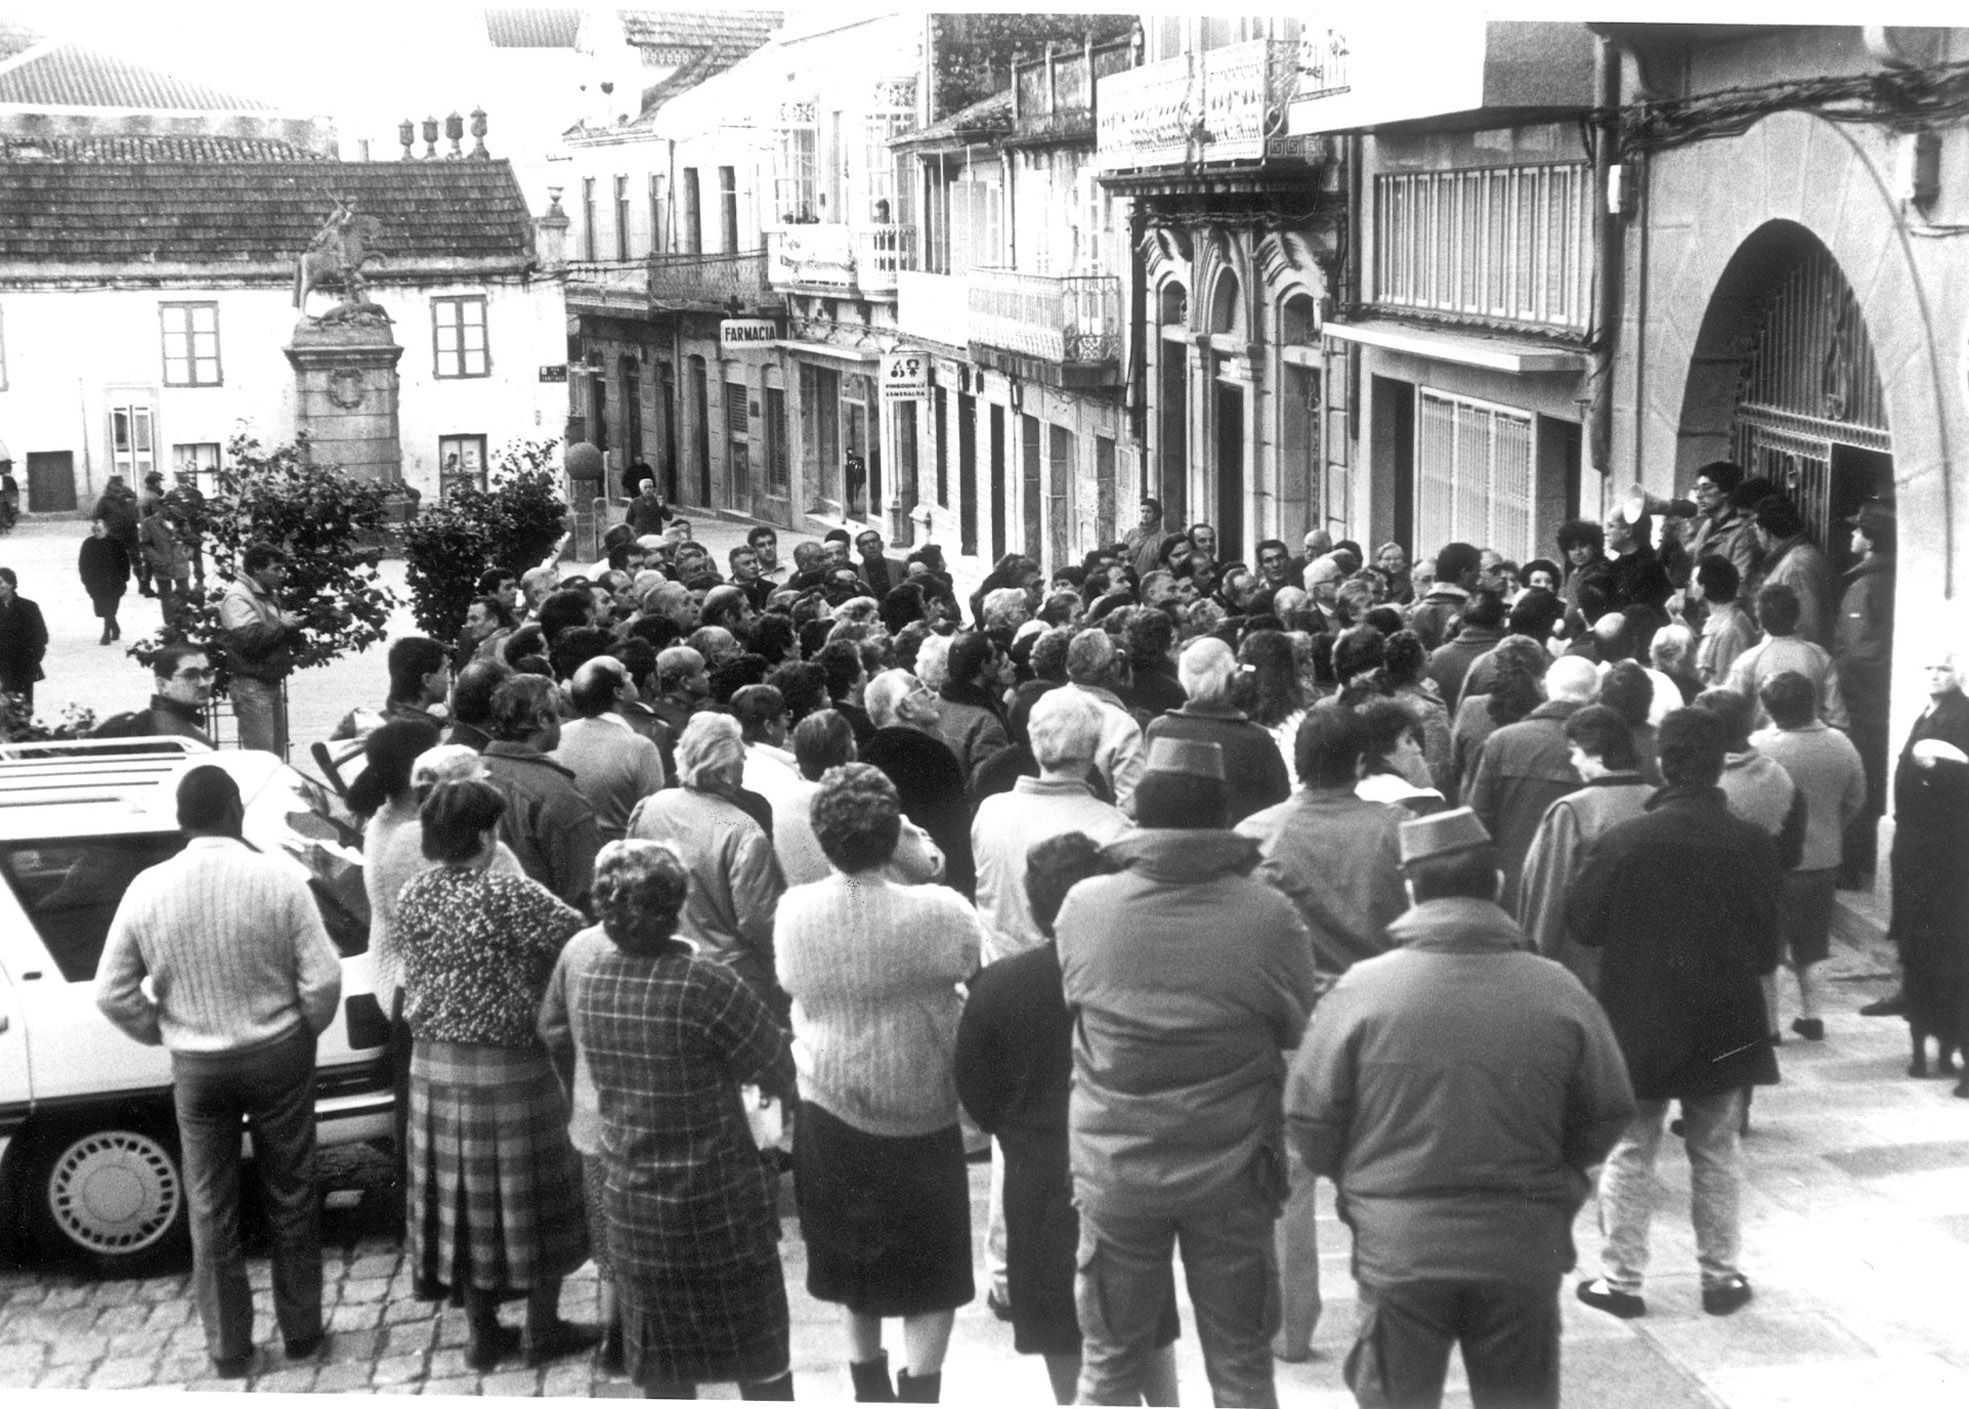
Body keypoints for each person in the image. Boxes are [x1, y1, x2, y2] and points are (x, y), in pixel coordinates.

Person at [1287, 808, 1634, 1409]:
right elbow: (1607, 1111)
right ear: (1496, 885)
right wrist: (1559, 1173)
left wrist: (1360, 1183)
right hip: (1521, 1247)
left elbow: (1311, 1121)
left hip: (1399, 1251)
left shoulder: (1359, 990)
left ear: (1412, 888)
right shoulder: (1558, 989)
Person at [1057, 736, 1319, 1408]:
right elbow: (1299, 1027)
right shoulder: (1268, 913)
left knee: (1110, 1366)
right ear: (1223, 813)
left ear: (1137, 814)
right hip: (1232, 1171)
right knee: (1240, 1366)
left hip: (1118, 1167)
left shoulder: (1084, 906)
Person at [95, 765, 342, 1377]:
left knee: (211, 1206)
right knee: (291, 1192)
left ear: (182, 819)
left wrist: (162, 1029)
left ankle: (229, 1348)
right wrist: (302, 1027)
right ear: (234, 809)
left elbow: (111, 991)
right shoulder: (278, 879)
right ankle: (304, 1333)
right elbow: (325, 977)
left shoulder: (146, 888)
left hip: (198, 1065)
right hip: (277, 1051)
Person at [539, 841, 799, 1399]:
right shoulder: (705, 983)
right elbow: (776, 1064)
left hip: (636, 1205)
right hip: (720, 1201)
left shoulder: (594, 980)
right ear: (677, 904)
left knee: (663, 1365)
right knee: (761, 1358)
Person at [777, 764, 984, 1404]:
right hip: (921, 1106)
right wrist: (920, 863)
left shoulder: (795, 912)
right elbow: (971, 968)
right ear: (893, 832)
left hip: (829, 1105)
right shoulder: (943, 911)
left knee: (851, 1261)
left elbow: (791, 985)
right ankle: (920, 1393)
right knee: (932, 1271)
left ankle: (868, 1388)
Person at [956, 833, 1182, 1406]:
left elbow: (974, 1097)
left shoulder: (1001, 985)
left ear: (1035, 906)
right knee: (1147, 1319)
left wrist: (1015, 1125)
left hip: (1038, 1177)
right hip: (1126, 1164)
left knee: (1063, 1333)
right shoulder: (1142, 973)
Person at [1570, 708, 1781, 1321]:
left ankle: (1622, 1281)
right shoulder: (1753, 844)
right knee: (1716, 1148)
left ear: (1663, 763)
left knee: (1631, 1150)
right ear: (1720, 766)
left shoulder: (1625, 840)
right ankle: (1721, 1278)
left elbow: (1583, 923)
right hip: (1726, 1017)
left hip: (1640, 1013)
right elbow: (1769, 949)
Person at [393, 779, 596, 1370]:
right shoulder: (510, 895)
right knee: (536, 1192)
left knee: (463, 1201)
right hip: (510, 1066)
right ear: (486, 835)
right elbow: (576, 932)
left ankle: (482, 1333)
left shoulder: (414, 895)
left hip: (432, 1066)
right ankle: (540, 1328)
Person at [1237, 708, 1409, 1362]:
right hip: (1379, 1021)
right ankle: (1383, 1320)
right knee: (1384, 1175)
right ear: (1362, 763)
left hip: (1293, 1030)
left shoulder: (1257, 833)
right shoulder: (1398, 829)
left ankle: (1288, 1327)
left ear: (1294, 763)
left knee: (1288, 1180)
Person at [626, 712, 787, 1010]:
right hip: (729, 980)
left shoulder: (650, 807)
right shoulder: (744, 831)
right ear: (723, 764)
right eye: (741, 754)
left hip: (661, 963)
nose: (745, 761)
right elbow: (759, 921)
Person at [972, 687, 1130, 966]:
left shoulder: (990, 812)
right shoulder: (1117, 830)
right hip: (1071, 988)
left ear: (1034, 741)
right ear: (1094, 748)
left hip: (995, 980)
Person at [1753, 671, 1866, 1041]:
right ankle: (1813, 1017)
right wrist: (1832, 828)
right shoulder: (1841, 744)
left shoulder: (1759, 747)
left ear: (1770, 709)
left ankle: (1770, 1026)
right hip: (1823, 860)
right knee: (1814, 945)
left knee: (1768, 947)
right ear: (1813, 701)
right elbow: (1856, 799)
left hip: (1772, 862)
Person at [1864, 651, 1969, 1049]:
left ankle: (1928, 1003)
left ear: (1958, 675)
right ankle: (1913, 993)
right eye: (1929, 668)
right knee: (1910, 920)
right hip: (1914, 837)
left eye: (1944, 669)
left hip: (1940, 843)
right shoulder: (1927, 712)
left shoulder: (1962, 716)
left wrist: (1935, 769)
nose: (1935, 675)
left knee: (1933, 925)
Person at [1517, 705, 1655, 991]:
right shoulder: (1659, 803)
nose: (1573, 760)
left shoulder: (1572, 811)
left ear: (1595, 750)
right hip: (1649, 969)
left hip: (1584, 972)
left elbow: (1548, 898)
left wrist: (1534, 970)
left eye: (1575, 750)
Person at [1467, 655, 1598, 907]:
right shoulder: (1602, 746)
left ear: (1546, 688)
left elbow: (1478, 821)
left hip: (1513, 886)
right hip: (1579, 892)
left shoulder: (1501, 741)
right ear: (1595, 695)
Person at [479, 675, 603, 911]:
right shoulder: (557, 794)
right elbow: (584, 894)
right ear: (543, 719)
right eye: (558, 713)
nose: (563, 722)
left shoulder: (468, 773)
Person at [1144, 637, 1291, 825]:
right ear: (1231, 678)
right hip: (1238, 845)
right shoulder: (1257, 738)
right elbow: (1279, 806)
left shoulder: (1158, 729)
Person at [862, 668, 978, 898]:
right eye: (922, 690)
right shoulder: (936, 755)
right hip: (942, 887)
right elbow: (956, 834)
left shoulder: (862, 760)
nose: (933, 694)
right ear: (906, 708)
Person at [1833, 500, 1895, 888]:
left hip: (1862, 707)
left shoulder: (1865, 584)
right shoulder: (1888, 578)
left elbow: (1857, 653)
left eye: (1858, 530)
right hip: (1879, 706)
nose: (1852, 535)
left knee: (1858, 784)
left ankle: (1852, 865)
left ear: (1870, 540)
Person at [557, 656, 668, 842]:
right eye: (626, 675)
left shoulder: (560, 735)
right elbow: (654, 818)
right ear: (619, 692)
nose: (632, 677)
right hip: (623, 856)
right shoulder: (640, 747)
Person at [219, 544, 305, 755]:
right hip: (252, 686)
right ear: (257, 569)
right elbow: (248, 641)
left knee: (275, 755)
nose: (282, 574)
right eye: (276, 569)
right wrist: (283, 625)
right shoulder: (238, 597)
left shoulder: (264, 593)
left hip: (267, 682)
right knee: (262, 758)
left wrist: (290, 628)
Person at [1724, 583, 1847, 731]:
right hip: (1812, 744)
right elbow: (1839, 719)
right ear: (1796, 616)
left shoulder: (1748, 661)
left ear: (1759, 620)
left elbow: (1728, 712)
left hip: (1764, 749)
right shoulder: (1820, 656)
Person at [1749, 494, 1833, 647]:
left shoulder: (1796, 566)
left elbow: (1807, 628)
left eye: (1756, 530)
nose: (1756, 537)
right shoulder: (1795, 558)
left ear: (1767, 531)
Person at [92, 643, 217, 744]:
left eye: (206, 674)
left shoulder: (141, 722)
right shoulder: (188, 741)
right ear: (162, 685)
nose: (203, 683)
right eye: (190, 675)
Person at [332, 636, 451, 742]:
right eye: (445, 671)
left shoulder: (375, 721)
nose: (449, 678)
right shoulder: (427, 737)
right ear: (427, 680)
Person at [1691, 555, 1757, 685]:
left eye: (1694, 581)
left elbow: (1727, 686)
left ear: (1703, 587)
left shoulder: (1730, 630)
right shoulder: (1729, 619)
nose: (1690, 586)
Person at [0, 565, 49, 716]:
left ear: (11, 584)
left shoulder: (29, 607)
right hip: (2, 668)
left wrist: (33, 659)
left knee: (23, 709)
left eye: (1, 582)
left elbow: (41, 636)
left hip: (23, 667)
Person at [78, 516, 131, 645]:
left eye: (100, 530)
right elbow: (83, 563)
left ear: (106, 530)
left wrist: (124, 577)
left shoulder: (116, 543)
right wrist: (86, 580)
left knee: (110, 607)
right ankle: (115, 627)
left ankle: (106, 633)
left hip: (114, 582)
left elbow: (124, 561)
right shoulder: (88, 544)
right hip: (96, 583)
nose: (97, 533)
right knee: (102, 609)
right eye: (95, 530)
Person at [1123, 498, 1178, 581]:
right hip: (1128, 580)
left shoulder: (1163, 537)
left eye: (1148, 512)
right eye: (1142, 511)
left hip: (1150, 581)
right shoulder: (1130, 534)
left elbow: (1164, 565)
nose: (1144, 515)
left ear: (1155, 514)